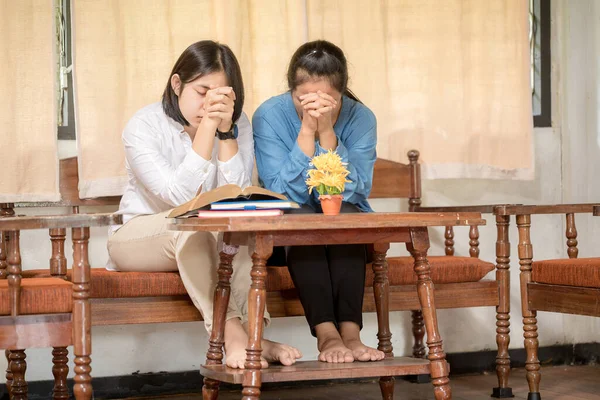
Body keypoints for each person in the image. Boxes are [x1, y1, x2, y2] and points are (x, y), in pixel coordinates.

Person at [107, 40, 301, 369]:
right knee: (189, 228)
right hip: (136, 235)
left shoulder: (237, 124)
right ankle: (232, 335)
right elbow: (180, 199)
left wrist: (226, 134)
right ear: (177, 84)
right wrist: (208, 127)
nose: (211, 103)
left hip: (204, 234)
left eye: (221, 95)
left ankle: (255, 337)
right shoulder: (143, 126)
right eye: (202, 92)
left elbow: (235, 195)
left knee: (238, 230)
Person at [252, 40, 384, 363]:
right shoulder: (269, 116)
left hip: (344, 228)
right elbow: (281, 192)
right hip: (287, 237)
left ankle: (351, 336)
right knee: (304, 222)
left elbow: (357, 188)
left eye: (326, 102)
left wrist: (328, 134)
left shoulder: (361, 118)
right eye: (304, 100)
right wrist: (306, 134)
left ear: (342, 94)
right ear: (291, 92)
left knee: (345, 221)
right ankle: (327, 336)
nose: (314, 108)